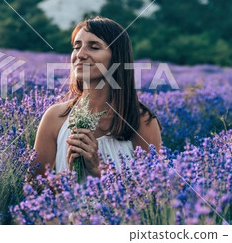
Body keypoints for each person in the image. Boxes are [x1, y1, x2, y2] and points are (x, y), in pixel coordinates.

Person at [30, 16, 162, 180]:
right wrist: (69, 176)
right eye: (76, 47)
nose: (80, 54)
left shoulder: (140, 120)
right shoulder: (55, 117)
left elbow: (154, 191)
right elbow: (32, 188)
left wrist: (98, 169)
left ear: (116, 57)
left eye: (93, 47)